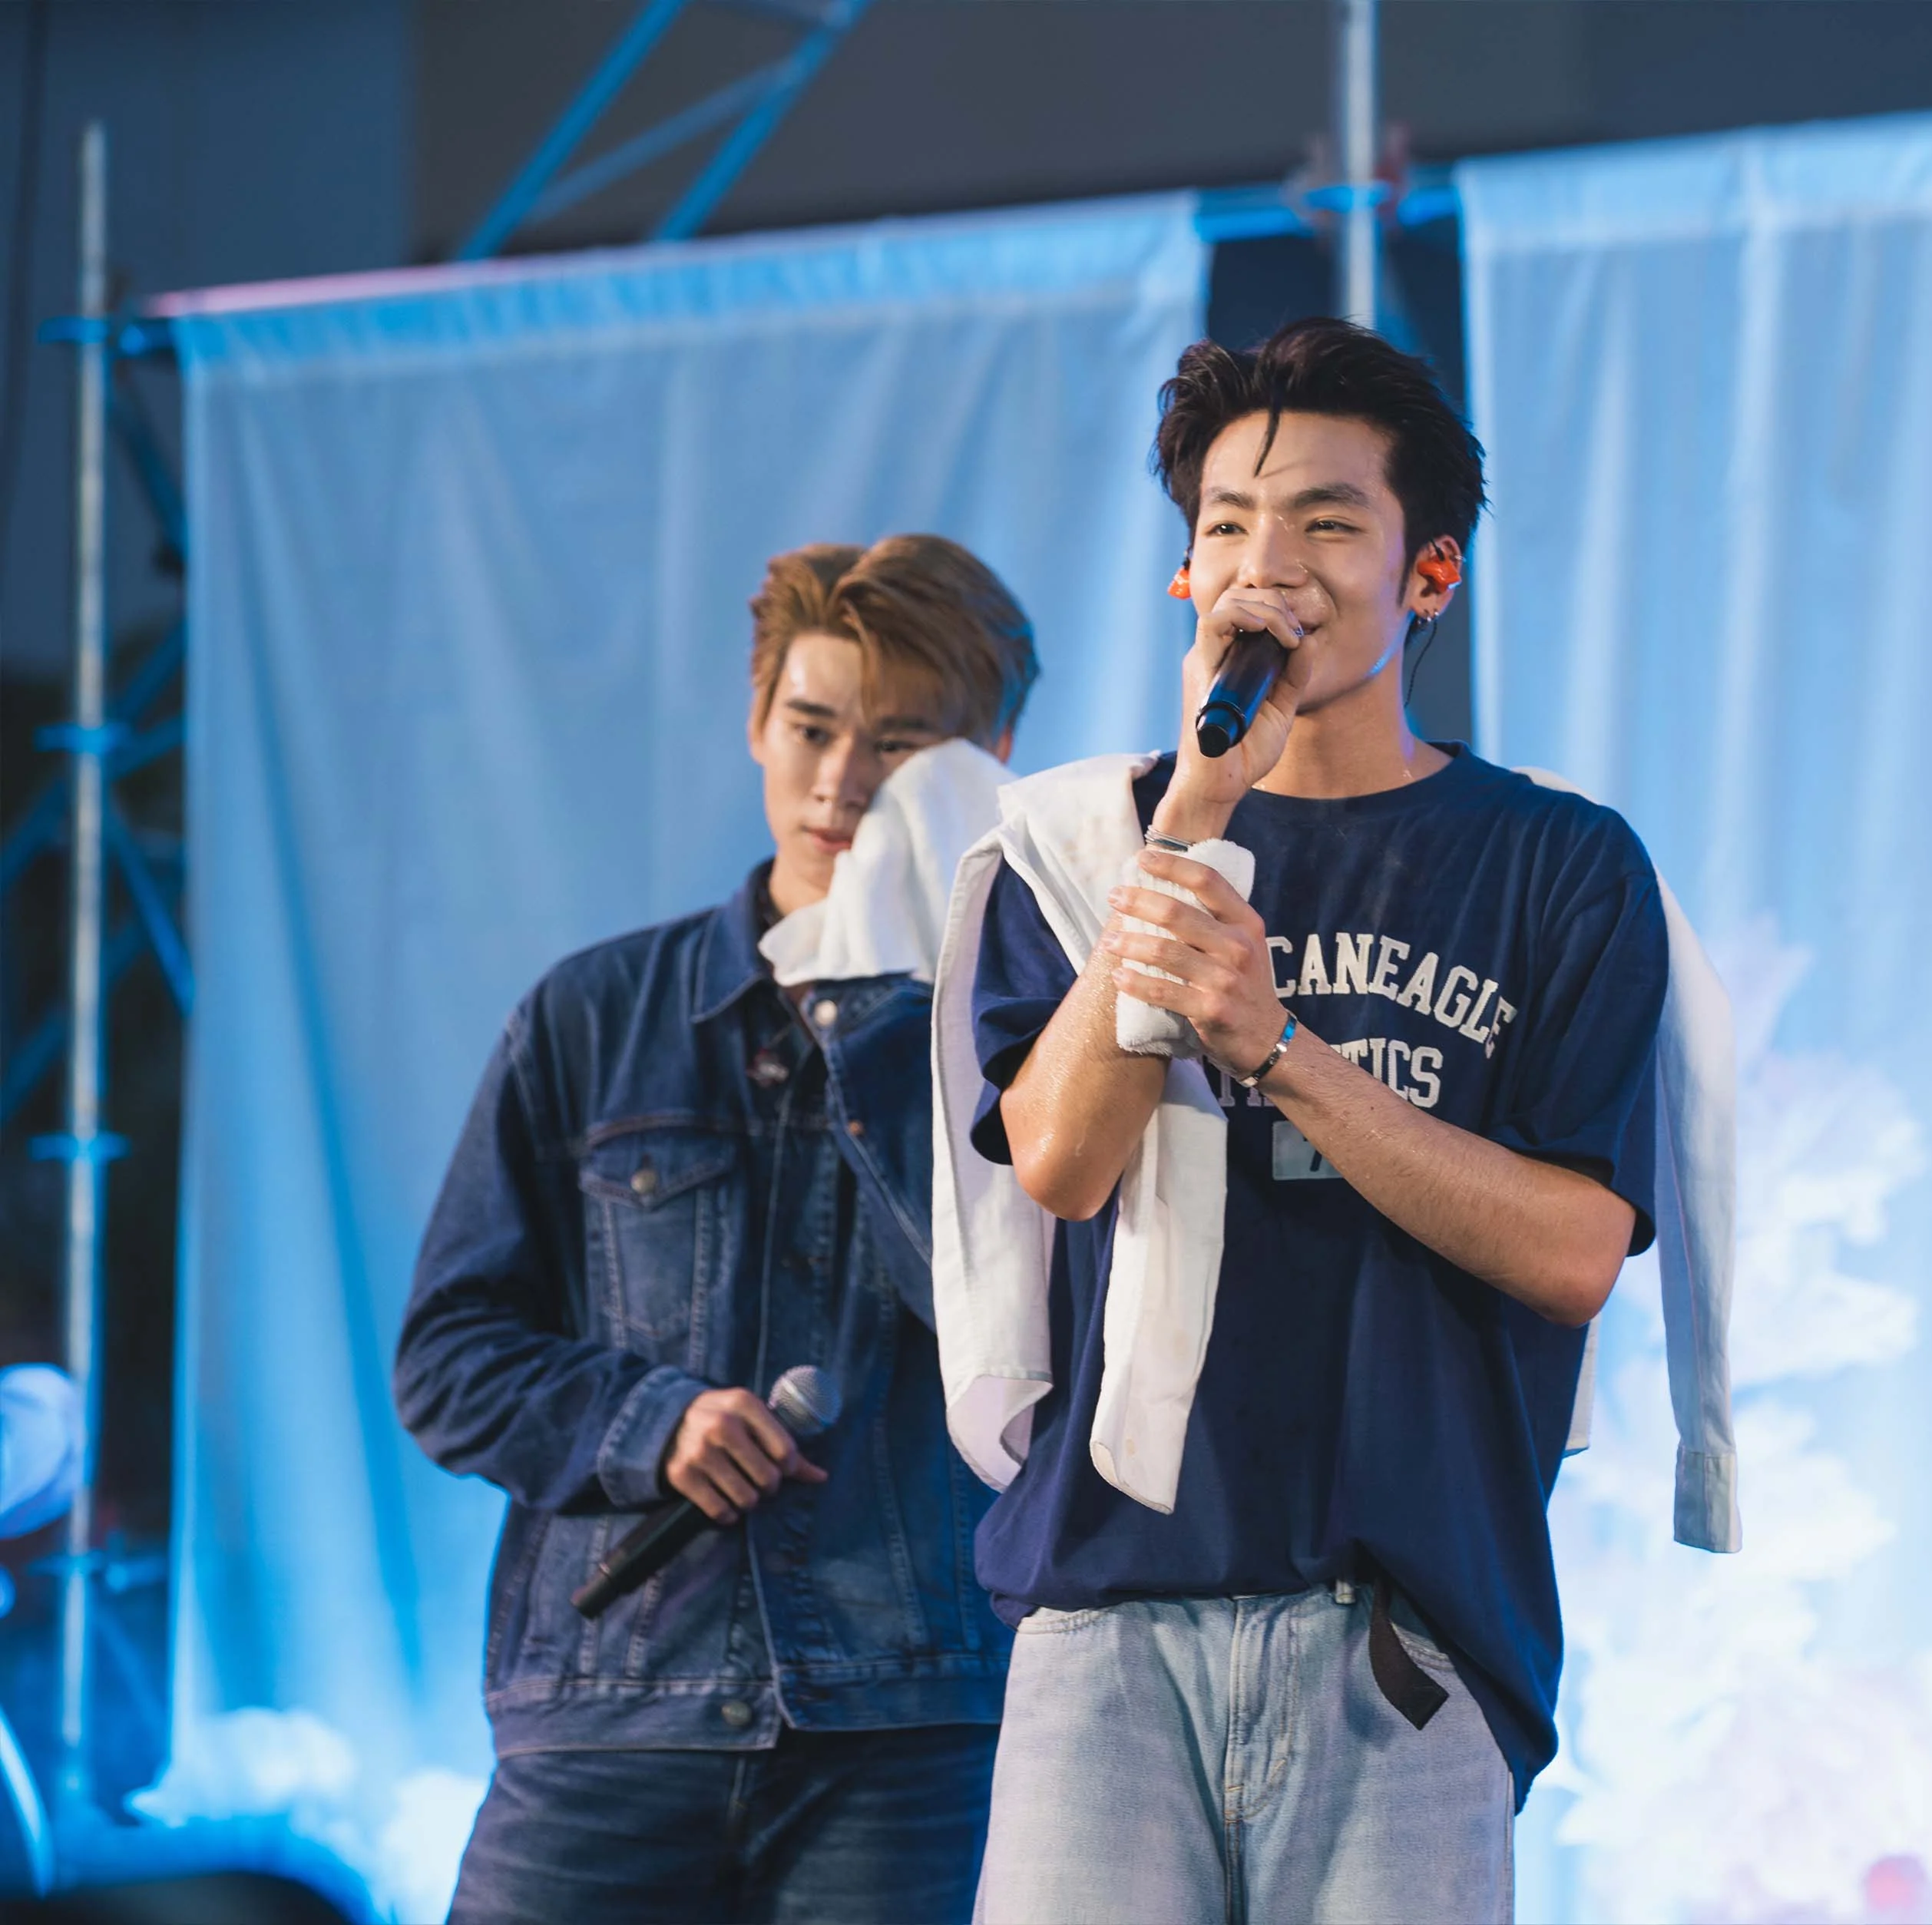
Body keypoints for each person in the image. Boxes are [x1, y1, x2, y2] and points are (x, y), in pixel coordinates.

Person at [943, 318, 1685, 1923]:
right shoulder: (1078, 846)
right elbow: (1059, 1161)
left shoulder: (1559, 862)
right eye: (1228, 525)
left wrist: (1280, 1049)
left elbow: (1575, 1251)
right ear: (1182, 576)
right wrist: (1199, 811)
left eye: (1326, 524)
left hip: (1402, 1628)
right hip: (1108, 1615)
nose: (1268, 567)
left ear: (1430, 576)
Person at [394, 534, 1037, 1925]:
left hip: (909, 1725)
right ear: (756, 721)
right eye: (811, 727)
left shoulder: (1023, 1040)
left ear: (986, 757)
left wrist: (887, 1022)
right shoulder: (594, 1016)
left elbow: (1027, 1343)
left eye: (899, 743)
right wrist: (653, 1421)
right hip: (612, 1710)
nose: (841, 781)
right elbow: (446, 1357)